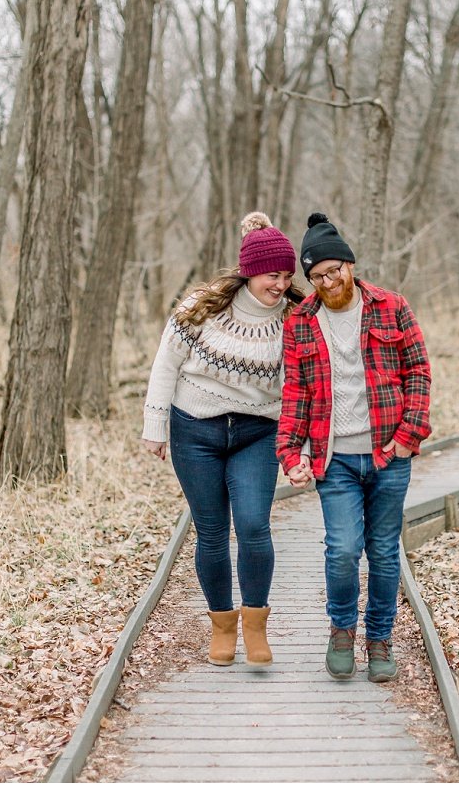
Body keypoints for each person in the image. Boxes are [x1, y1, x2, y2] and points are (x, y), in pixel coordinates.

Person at [276, 212, 432, 683]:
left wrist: (409, 436)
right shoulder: (300, 323)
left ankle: (379, 638)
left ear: (349, 264)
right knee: (342, 549)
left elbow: (419, 371)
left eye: (333, 270)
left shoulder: (391, 307)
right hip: (334, 458)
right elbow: (295, 394)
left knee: (384, 552)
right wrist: (289, 453)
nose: (327, 281)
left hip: (389, 453)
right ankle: (342, 629)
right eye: (317, 276)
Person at [142, 212, 302, 667]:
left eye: (287, 275)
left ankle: (255, 626)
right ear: (250, 271)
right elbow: (165, 365)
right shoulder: (201, 307)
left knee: (253, 525)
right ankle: (222, 626)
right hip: (195, 428)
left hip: (258, 431)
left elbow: (300, 387)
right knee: (211, 532)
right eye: (273, 274)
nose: (281, 283)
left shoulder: (295, 318)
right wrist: (155, 426)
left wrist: (300, 446)